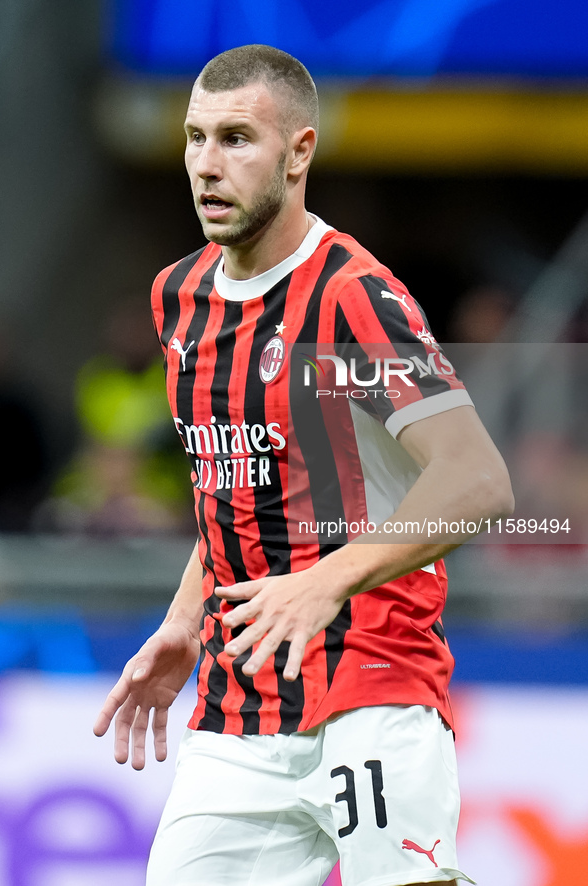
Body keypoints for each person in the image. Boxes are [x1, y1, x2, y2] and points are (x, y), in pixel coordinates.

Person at [94, 44, 514, 886]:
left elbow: (479, 482)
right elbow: (236, 483)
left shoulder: (349, 298)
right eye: (194, 137)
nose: (207, 166)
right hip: (239, 703)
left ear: (299, 152)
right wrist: (185, 618)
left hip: (373, 684)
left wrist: (327, 581)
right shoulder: (178, 298)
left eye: (237, 139)